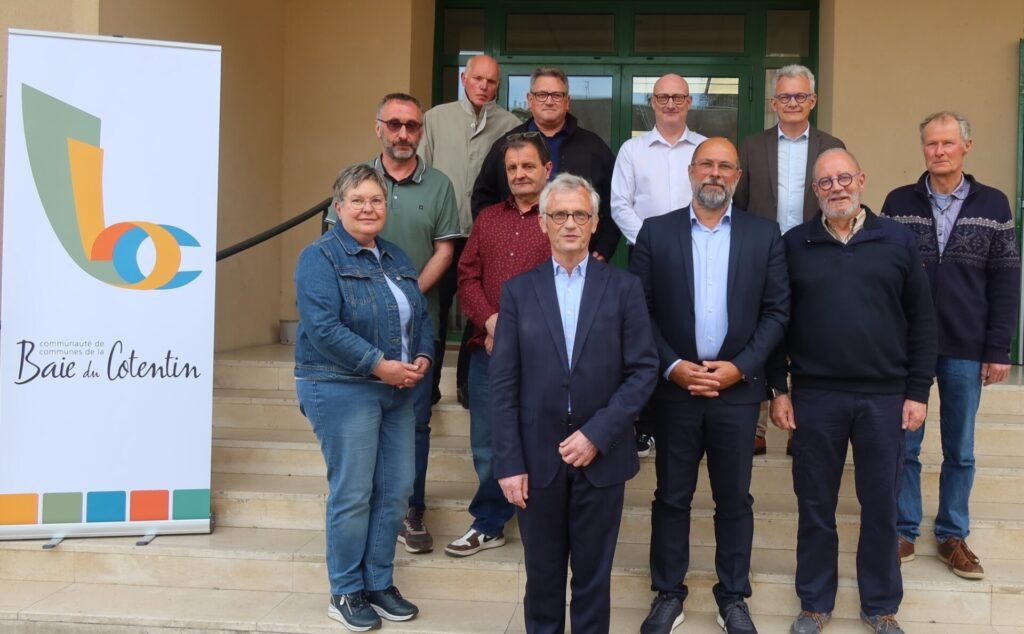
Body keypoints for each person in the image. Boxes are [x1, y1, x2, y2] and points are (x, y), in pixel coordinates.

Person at [768, 149, 937, 634]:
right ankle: (814, 603)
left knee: (881, 505)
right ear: (814, 191)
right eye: (825, 182)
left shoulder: (897, 240)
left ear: (861, 179)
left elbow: (923, 321)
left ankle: (880, 606)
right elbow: (777, 321)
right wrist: (779, 388)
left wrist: (918, 391)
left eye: (844, 178)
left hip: (884, 398)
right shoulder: (794, 244)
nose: (836, 188)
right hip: (816, 396)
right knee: (815, 504)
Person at [631, 138, 789, 634]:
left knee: (734, 499)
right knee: (671, 496)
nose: (715, 173)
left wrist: (741, 368)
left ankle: (733, 596)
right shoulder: (655, 233)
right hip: (675, 391)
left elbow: (777, 311)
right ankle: (668, 593)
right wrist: (673, 365)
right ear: (691, 172)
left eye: (725, 166)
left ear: (737, 176)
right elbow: (639, 310)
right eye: (706, 164)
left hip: (736, 392)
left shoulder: (764, 235)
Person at [490, 173, 658, 634]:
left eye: (580, 214)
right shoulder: (518, 292)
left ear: (595, 222)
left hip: (601, 457)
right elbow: (502, 385)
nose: (570, 223)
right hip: (535, 460)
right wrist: (508, 463)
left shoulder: (623, 288)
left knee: (592, 581)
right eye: (560, 214)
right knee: (542, 579)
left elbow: (643, 371)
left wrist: (597, 434)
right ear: (542, 222)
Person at [882, 111, 1021, 579]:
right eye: (931, 144)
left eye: (947, 143)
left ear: (966, 146)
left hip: (966, 343)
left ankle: (952, 534)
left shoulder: (994, 204)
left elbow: (1006, 281)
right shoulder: (898, 201)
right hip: (907, 345)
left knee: (960, 448)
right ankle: (903, 529)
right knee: (905, 443)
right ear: (923, 149)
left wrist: (998, 348)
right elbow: (884, 275)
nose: (939, 151)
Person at [295, 164, 433, 631]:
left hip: (397, 389)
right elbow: (323, 328)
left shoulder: (395, 256)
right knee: (354, 492)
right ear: (338, 208)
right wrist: (379, 364)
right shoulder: (320, 257)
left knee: (396, 490)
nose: (368, 208)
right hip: (341, 386)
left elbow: (422, 317)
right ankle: (345, 591)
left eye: (376, 200)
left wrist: (422, 357)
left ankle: (378, 583)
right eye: (357, 200)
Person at [326, 93, 461, 556]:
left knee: (415, 421)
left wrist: (404, 294)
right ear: (378, 128)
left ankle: (409, 509)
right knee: (360, 422)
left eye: (412, 125)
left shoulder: (440, 185)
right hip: (358, 329)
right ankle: (361, 507)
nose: (403, 133)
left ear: (421, 131)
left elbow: (445, 250)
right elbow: (334, 246)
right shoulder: (356, 180)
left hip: (417, 324)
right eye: (395, 124)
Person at [446, 132, 555, 557]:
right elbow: (467, 275)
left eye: (528, 166)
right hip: (488, 350)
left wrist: (516, 332)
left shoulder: (561, 218)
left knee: (544, 437)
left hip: (545, 354)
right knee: (488, 442)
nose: (519, 174)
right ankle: (490, 522)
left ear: (547, 169)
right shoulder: (488, 219)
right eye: (512, 168)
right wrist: (491, 321)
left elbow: (566, 283)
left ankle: (541, 521)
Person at [733, 64, 845, 457]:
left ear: (813, 100)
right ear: (773, 102)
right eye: (784, 96)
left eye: (799, 96)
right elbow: (739, 205)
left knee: (810, 335)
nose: (792, 102)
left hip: (815, 252)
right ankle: (757, 425)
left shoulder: (832, 145)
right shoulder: (752, 146)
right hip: (763, 255)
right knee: (761, 332)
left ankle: (803, 424)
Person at [611, 72, 707, 458]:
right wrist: (654, 243)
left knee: (692, 329)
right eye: (663, 97)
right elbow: (620, 204)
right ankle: (646, 425)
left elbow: (716, 198)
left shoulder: (703, 149)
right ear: (652, 102)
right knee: (645, 335)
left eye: (678, 97)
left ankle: (696, 420)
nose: (670, 104)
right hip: (645, 256)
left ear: (689, 102)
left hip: (699, 253)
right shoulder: (632, 150)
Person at [420, 54, 521, 408]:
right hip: (442, 233)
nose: (484, 86)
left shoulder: (510, 125)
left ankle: (466, 384)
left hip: (486, 233)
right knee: (436, 307)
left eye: (491, 81)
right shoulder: (436, 118)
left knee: (479, 310)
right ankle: (429, 385)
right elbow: (422, 170)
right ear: (464, 78)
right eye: (478, 79)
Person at [471, 66, 621, 261]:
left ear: (567, 102)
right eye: (542, 95)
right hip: (516, 258)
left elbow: (614, 202)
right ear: (530, 100)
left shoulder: (594, 148)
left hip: (578, 258)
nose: (549, 101)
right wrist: (496, 243)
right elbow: (483, 198)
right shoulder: (506, 146)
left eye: (557, 95)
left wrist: (603, 249)